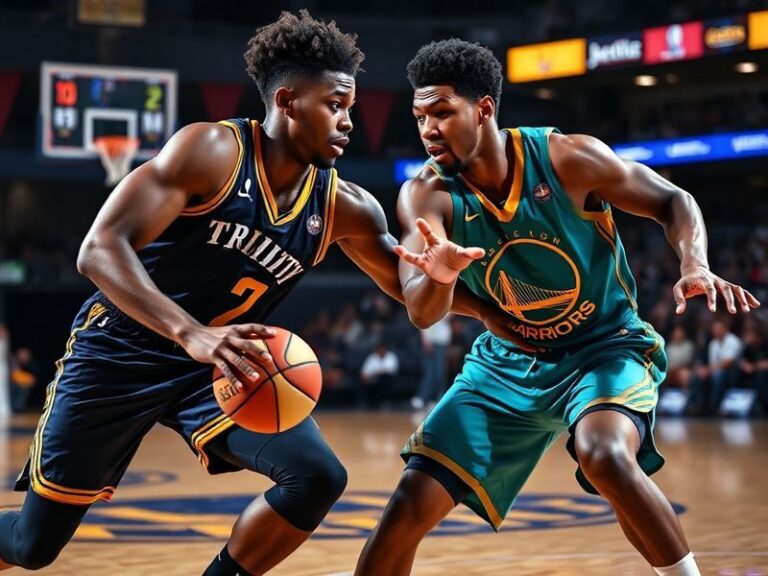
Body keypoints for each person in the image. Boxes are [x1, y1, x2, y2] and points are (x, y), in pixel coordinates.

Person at [0, 16, 507, 575]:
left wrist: (458, 288)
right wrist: (190, 332)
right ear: (287, 102)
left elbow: (414, 298)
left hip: (222, 366)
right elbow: (98, 249)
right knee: (33, 546)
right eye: (334, 105)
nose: (346, 122)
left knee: (317, 476)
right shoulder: (212, 151)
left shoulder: (345, 206)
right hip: (120, 352)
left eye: (351, 109)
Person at [355, 38, 761, 576]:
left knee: (604, 456)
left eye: (442, 112)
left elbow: (673, 201)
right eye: (419, 116)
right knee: (407, 506)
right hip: (507, 362)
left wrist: (694, 264)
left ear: (484, 110)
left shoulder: (567, 157)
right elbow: (423, 312)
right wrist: (446, 276)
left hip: (604, 349)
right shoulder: (425, 195)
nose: (428, 128)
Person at [689, 318, 742, 416]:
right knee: (697, 376)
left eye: (718, 329)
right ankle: (699, 406)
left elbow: (728, 363)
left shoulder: (732, 340)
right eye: (714, 329)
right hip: (716, 370)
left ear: (725, 329)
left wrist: (708, 370)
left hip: (732, 371)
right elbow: (713, 362)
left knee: (718, 376)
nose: (716, 331)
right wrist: (704, 370)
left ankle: (715, 407)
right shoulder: (713, 343)